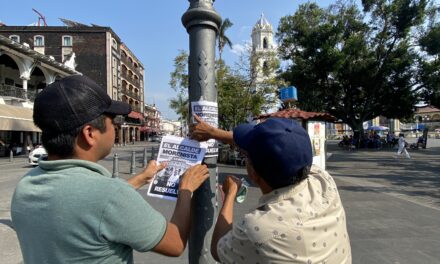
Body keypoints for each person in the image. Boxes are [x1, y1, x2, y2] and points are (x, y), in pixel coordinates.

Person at [11, 75, 210, 264]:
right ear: (90, 133)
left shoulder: (26, 185)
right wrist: (186, 190)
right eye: (112, 122)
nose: (116, 129)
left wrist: (140, 178)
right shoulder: (108, 195)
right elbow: (174, 243)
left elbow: (90, 207)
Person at [190, 115, 351, 263]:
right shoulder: (323, 180)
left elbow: (219, 249)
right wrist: (214, 133)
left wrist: (230, 194)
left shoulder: (258, 229)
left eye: (245, 155)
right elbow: (279, 151)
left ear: (253, 172)